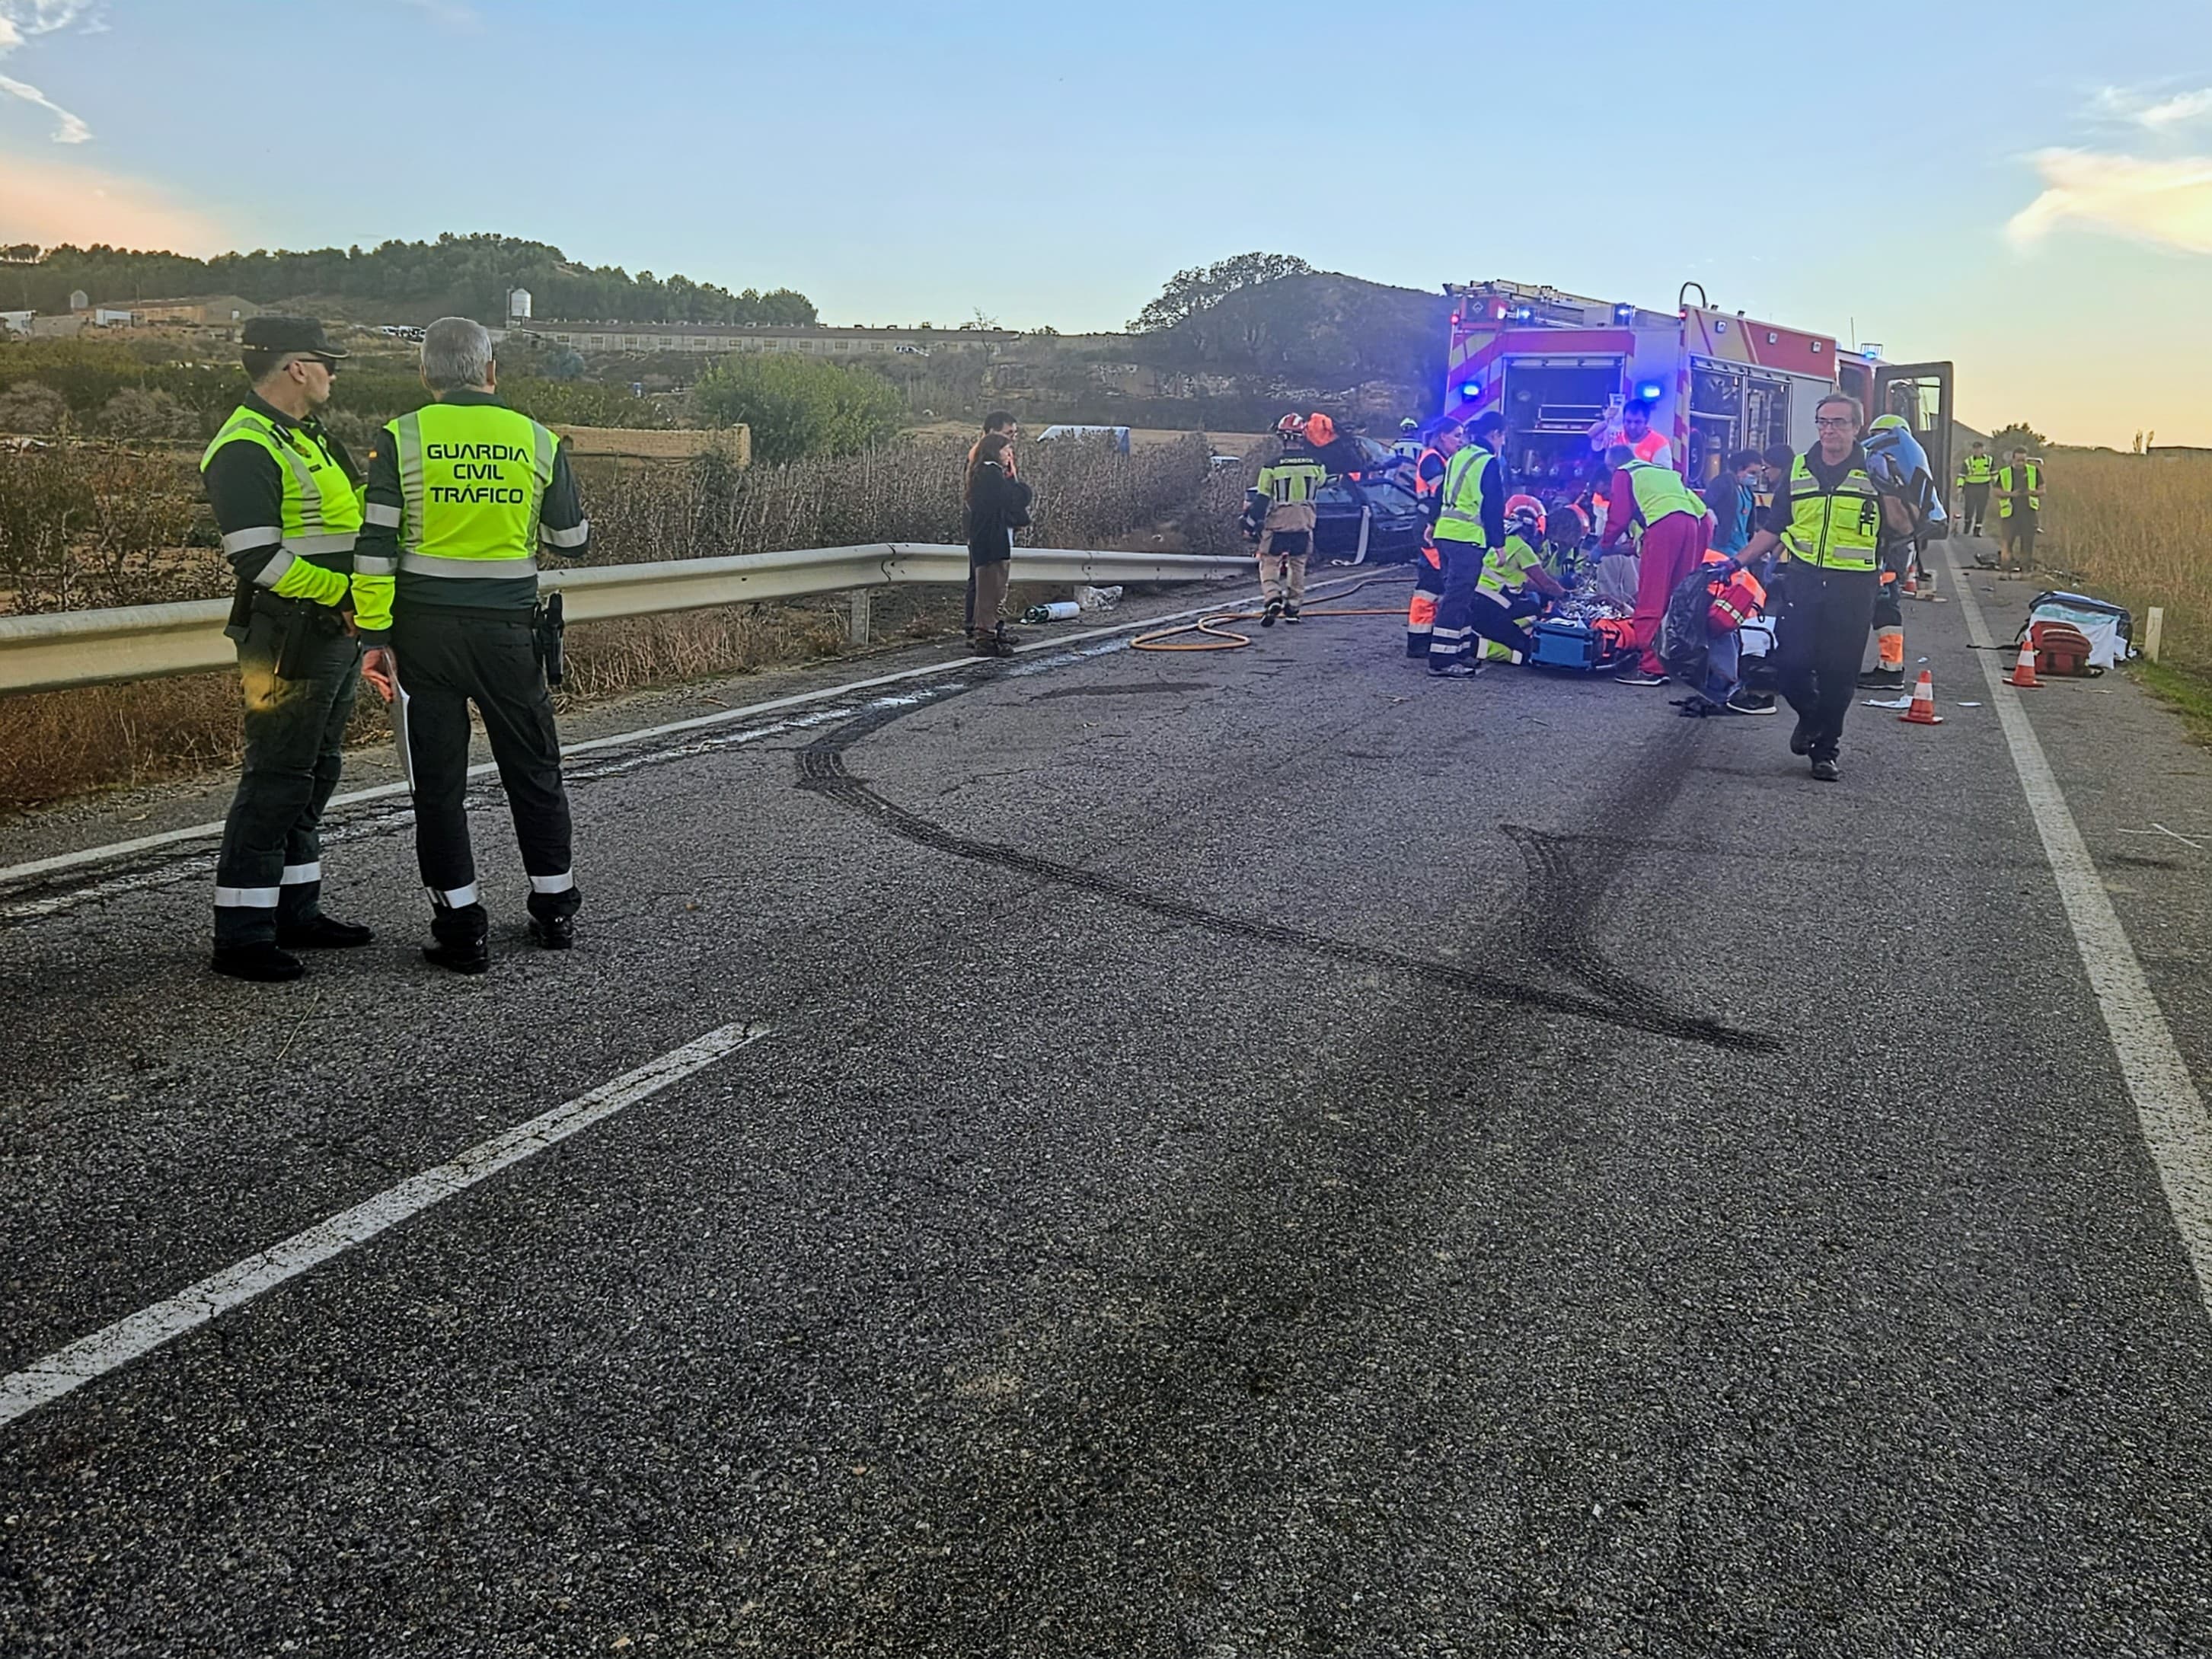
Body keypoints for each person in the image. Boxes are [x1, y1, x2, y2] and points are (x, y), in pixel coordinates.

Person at [351, 317, 591, 971]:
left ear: (425, 374)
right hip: (509, 635)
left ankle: (460, 930)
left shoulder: (401, 437)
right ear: (490, 371)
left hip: (423, 635)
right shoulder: (537, 439)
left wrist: (374, 634)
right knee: (533, 771)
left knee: (437, 785)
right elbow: (571, 542)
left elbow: (374, 547)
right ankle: (554, 911)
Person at [199, 317, 373, 982]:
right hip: (285, 635)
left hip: (331, 631)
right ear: (296, 367)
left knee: (315, 770)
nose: (334, 373)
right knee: (275, 776)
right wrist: (342, 593)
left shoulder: (312, 436)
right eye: (327, 362)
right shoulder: (244, 446)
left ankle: (296, 911)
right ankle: (242, 936)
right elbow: (256, 558)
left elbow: (352, 516)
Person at [1725, 391, 1918, 782]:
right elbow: (1774, 527)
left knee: (1838, 673)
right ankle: (1812, 718)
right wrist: (1736, 563)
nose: (1829, 430)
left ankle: (1826, 750)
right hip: (1804, 580)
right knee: (1790, 665)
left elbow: (1904, 527)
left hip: (1854, 585)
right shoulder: (1799, 468)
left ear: (1856, 427)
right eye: (1823, 422)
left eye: (1839, 422)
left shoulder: (1876, 467)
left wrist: (1886, 488)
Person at [1600, 445, 1713, 688]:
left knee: (1652, 597)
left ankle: (1651, 668)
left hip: (1663, 528)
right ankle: (1672, 662)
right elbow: (1706, 518)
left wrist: (1605, 545)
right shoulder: (1664, 474)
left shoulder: (1625, 473)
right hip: (1692, 528)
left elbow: (1618, 517)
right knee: (1676, 600)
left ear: (1614, 464)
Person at [1427, 410, 1509, 677]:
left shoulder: (1458, 456)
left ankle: (1460, 651)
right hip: (1467, 538)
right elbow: (1493, 506)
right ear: (1495, 434)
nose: (1502, 443)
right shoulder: (1487, 462)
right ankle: (1442, 659)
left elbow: (1440, 493)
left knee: (1460, 597)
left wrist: (1431, 523)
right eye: (1503, 437)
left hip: (1446, 533)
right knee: (1457, 598)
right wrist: (1499, 544)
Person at [1242, 415, 1329, 625]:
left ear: (1282, 438)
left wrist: (1249, 523)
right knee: (1297, 564)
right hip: (1304, 523)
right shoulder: (1317, 465)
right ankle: (1293, 607)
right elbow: (1322, 483)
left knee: (1269, 561)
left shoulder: (1271, 467)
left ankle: (1273, 597)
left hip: (1278, 523)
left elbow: (1262, 499)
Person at [1472, 496, 1569, 661]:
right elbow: (1545, 583)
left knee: (1530, 607)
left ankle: (1489, 639)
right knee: (1527, 648)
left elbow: (1526, 582)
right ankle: (1479, 647)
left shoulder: (1501, 542)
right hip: (1492, 606)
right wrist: (1566, 594)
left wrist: (1552, 587)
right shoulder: (1521, 548)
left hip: (1476, 601)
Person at [965, 432, 1033, 654]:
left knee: (991, 590)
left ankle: (988, 634)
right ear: (995, 450)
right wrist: (1017, 482)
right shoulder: (990, 474)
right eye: (1006, 449)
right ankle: (986, 638)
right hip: (991, 540)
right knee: (991, 591)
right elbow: (1012, 498)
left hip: (987, 538)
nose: (1009, 454)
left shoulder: (982, 472)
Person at [1404, 416, 1463, 659]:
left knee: (1434, 584)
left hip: (1435, 526)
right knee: (1431, 584)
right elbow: (1443, 493)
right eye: (1457, 436)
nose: (1461, 441)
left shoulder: (1441, 459)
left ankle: (1423, 639)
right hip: (1429, 526)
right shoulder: (1432, 459)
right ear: (1443, 436)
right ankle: (1419, 641)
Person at [1586, 395, 1674, 470]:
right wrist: (1607, 420)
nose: (1632, 427)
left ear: (1646, 421)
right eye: (1628, 421)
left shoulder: (1659, 443)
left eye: (1638, 422)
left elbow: (1664, 474)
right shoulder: (1615, 435)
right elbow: (1591, 434)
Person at [1704, 449, 1763, 557]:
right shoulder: (1722, 483)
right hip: (1722, 548)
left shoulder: (1747, 490)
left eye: (1758, 474)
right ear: (1739, 469)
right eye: (1752, 473)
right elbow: (1705, 505)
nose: (1755, 478)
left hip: (1742, 548)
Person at [1996, 447, 2043, 574]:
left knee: (2027, 544)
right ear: (2013, 459)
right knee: (2007, 543)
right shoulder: (2005, 473)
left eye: (2023, 460)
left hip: (2028, 512)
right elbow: (1997, 492)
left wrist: (2032, 492)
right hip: (2010, 513)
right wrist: (2011, 494)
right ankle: (2005, 571)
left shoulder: (2034, 471)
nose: (2021, 463)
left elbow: (2042, 490)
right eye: (2018, 460)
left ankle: (2025, 571)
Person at [1957, 439, 1993, 537]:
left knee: (1981, 509)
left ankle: (1977, 530)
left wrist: (1998, 486)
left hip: (1984, 487)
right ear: (1973, 450)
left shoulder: (1990, 460)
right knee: (1969, 508)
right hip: (1970, 487)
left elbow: (1994, 474)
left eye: (1979, 449)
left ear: (1983, 449)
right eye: (1975, 449)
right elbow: (1962, 476)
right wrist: (1960, 486)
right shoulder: (1968, 461)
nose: (1977, 451)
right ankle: (1967, 525)